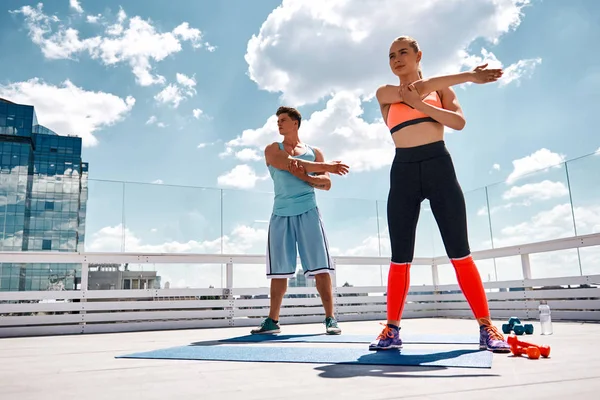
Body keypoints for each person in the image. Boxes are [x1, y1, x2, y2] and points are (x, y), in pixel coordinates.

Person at [368, 35, 511, 353]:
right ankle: (392, 329)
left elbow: (458, 122)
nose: (396, 59)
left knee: (460, 251)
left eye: (403, 52)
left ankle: (486, 327)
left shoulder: (442, 89)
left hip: (439, 166)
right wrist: (470, 76)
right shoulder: (385, 94)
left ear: (419, 55)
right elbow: (418, 88)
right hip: (403, 171)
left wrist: (422, 106)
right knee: (399, 256)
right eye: (391, 55)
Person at [250, 106, 349, 336]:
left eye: (283, 120)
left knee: (321, 269)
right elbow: (293, 164)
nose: (279, 124)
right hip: (281, 214)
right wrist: (328, 168)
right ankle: (273, 320)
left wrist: (305, 177)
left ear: (295, 123)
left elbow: (326, 184)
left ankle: (330, 319)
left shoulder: (314, 152)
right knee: (279, 273)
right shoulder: (272, 150)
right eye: (277, 121)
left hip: (309, 213)